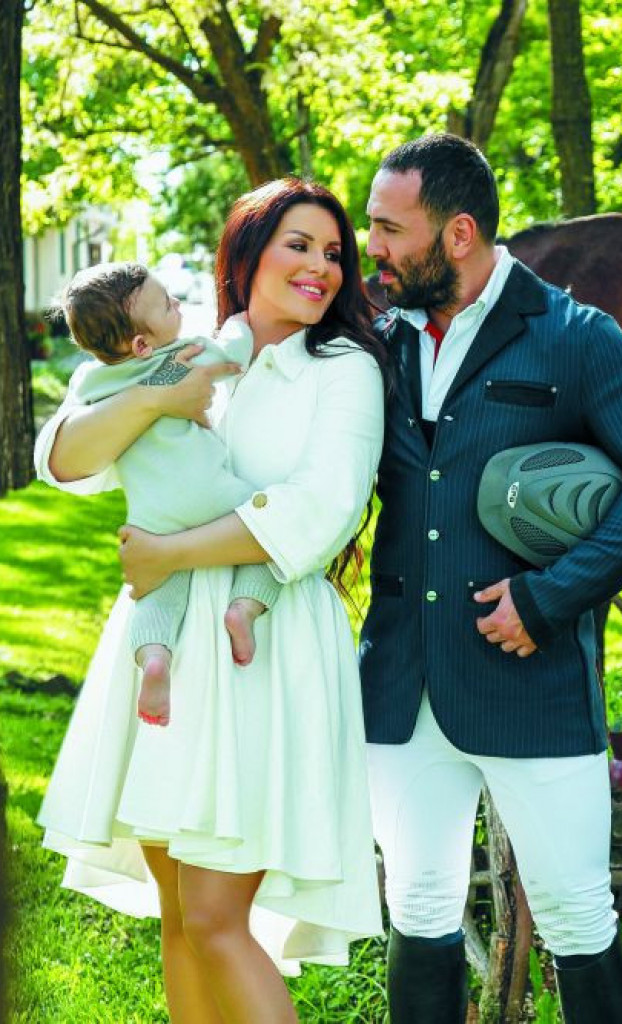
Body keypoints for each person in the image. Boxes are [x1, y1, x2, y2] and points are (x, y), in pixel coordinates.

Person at [361, 133, 622, 1024]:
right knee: (418, 908)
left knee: (576, 915)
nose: (373, 247)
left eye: (389, 229)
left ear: (459, 233)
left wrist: (552, 597)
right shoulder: (377, 342)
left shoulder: (575, 336)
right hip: (400, 683)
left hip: (532, 684)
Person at [34, 178, 386, 1024]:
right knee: (180, 917)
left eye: (334, 252)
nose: (321, 266)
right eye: (299, 245)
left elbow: (322, 512)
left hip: (264, 643)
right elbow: (66, 458)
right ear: (249, 253)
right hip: (167, 646)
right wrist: (157, 397)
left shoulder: (344, 370)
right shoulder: (182, 354)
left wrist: (166, 552)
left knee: (217, 918)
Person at [57, 261, 282, 727]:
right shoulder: (179, 357)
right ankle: (244, 609)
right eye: (166, 304)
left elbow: (72, 427)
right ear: (142, 344)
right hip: (210, 493)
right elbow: (231, 353)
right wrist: (240, 324)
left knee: (157, 592)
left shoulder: (92, 383)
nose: (176, 303)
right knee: (273, 533)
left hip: (152, 516)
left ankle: (155, 657)